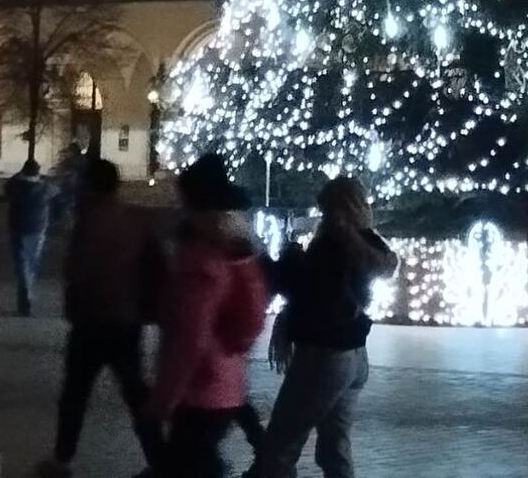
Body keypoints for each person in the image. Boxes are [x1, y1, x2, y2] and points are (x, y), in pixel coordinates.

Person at [260, 176, 398, 478]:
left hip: (323, 356)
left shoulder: (331, 245)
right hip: (354, 356)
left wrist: (287, 260)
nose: (321, 216)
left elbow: (308, 291)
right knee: (334, 448)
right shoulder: (368, 240)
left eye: (325, 209)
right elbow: (384, 266)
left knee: (280, 447)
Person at [36, 158, 164, 478]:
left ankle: (63, 458)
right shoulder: (134, 220)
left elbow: (76, 270)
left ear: (91, 185)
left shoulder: (88, 220)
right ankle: (160, 459)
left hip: (91, 321)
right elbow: (155, 264)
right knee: (136, 393)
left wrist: (73, 302)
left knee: (75, 394)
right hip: (126, 319)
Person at [149, 152, 268, 478]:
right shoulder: (238, 251)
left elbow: (190, 337)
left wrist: (164, 398)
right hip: (225, 385)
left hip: (197, 390)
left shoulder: (200, 260)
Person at [5, 157, 53, 316]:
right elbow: (56, 195)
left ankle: (24, 296)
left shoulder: (15, 185)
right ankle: (29, 291)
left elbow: (7, 187)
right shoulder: (45, 187)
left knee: (21, 263)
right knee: (33, 262)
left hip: (18, 227)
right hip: (38, 228)